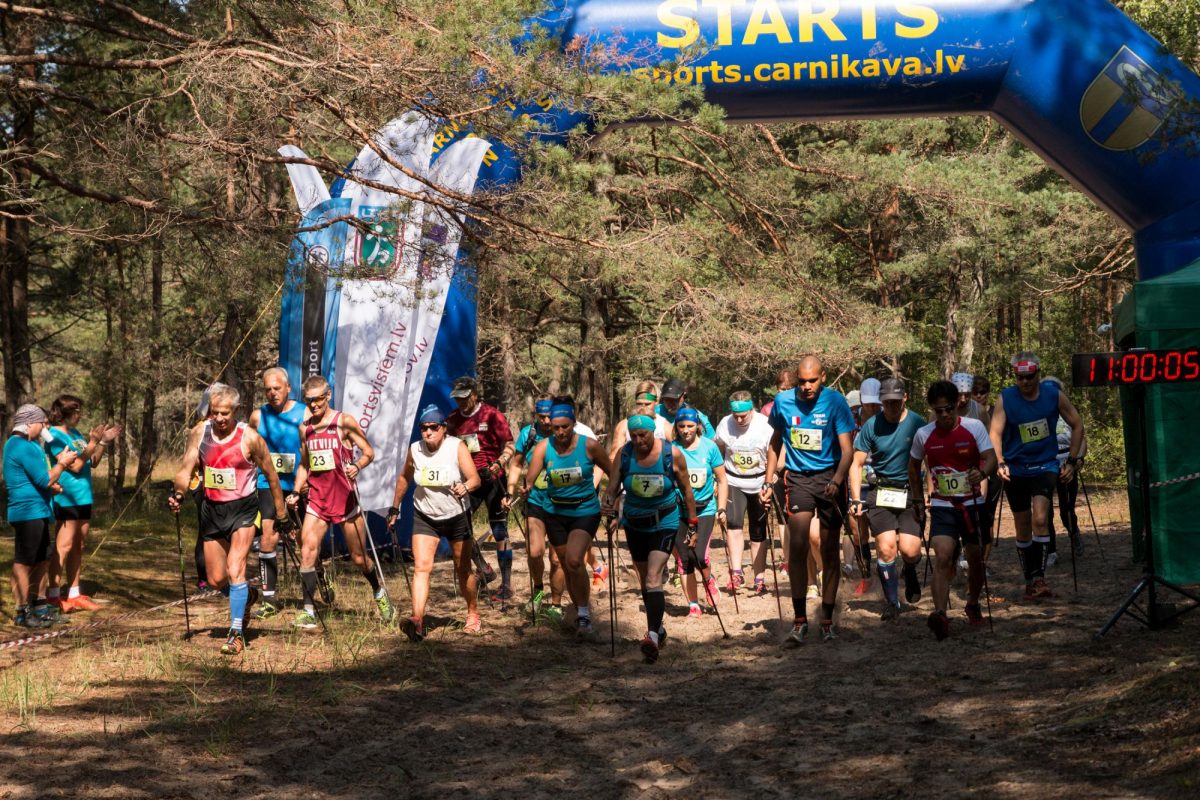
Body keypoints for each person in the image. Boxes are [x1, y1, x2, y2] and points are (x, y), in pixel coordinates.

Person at [168, 384, 290, 654]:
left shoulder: (250, 437)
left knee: (236, 568)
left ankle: (235, 634)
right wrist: (178, 493)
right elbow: (186, 469)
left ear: (236, 410)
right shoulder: (200, 432)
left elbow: (271, 475)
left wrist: (281, 512)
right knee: (215, 580)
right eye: (215, 412)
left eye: (225, 413)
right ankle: (247, 596)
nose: (220, 418)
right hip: (212, 510)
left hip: (243, 511)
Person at [761, 355, 856, 643]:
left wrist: (837, 480)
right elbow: (775, 442)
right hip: (798, 478)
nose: (806, 386)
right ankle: (800, 620)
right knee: (798, 543)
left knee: (829, 548)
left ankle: (826, 620)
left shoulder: (835, 402)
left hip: (830, 478)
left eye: (812, 381)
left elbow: (848, 451)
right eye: (802, 381)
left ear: (823, 377)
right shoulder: (783, 401)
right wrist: (768, 479)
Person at [288, 375, 392, 629]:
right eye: (309, 401)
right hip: (317, 500)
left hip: (345, 500)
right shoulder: (305, 429)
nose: (314, 405)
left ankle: (379, 592)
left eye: (318, 399)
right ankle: (308, 611)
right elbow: (305, 464)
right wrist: (296, 490)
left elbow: (368, 452)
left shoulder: (343, 422)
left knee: (359, 558)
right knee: (307, 551)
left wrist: (357, 466)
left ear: (328, 396)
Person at [988, 352, 1084, 600]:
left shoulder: (1053, 395)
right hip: (1015, 468)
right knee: (1022, 523)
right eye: (1020, 378)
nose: (1025, 382)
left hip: (1045, 466)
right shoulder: (1006, 398)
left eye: (1029, 377)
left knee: (1040, 519)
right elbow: (995, 433)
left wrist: (1072, 461)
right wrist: (1000, 462)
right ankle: (1029, 578)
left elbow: (1077, 424)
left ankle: (1040, 578)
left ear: (1037, 374)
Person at [602, 414, 698, 663]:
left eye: (642, 435)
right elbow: (612, 486)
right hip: (634, 523)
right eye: (633, 436)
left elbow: (687, 491)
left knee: (654, 576)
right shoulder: (624, 454)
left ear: (652, 432)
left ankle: (652, 636)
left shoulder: (671, 454)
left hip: (665, 521)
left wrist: (693, 524)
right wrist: (608, 504)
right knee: (645, 579)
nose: (638, 440)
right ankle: (658, 628)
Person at [909, 380, 997, 639]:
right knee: (943, 555)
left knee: (975, 558)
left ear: (957, 404)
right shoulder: (924, 434)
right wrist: (918, 500)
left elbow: (991, 458)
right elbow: (913, 466)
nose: (945, 415)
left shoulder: (974, 427)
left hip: (972, 503)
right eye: (939, 411)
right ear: (932, 410)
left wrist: (981, 473)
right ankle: (940, 615)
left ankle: (973, 602)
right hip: (943, 504)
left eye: (949, 409)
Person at [387, 405, 482, 640]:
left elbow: (475, 479)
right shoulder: (415, 450)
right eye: (424, 428)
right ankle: (417, 620)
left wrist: (465, 486)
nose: (428, 432)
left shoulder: (456, 447)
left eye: (433, 427)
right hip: (425, 515)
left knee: (462, 568)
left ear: (443, 428)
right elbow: (404, 477)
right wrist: (395, 507)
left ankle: (473, 613)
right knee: (421, 568)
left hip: (456, 515)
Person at [523, 401, 615, 641]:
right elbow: (531, 477)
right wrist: (527, 486)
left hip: (585, 511)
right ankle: (579, 609)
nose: (560, 432)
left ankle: (584, 616)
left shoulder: (589, 446)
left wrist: (611, 496)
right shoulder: (544, 447)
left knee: (574, 560)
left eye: (564, 427)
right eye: (556, 428)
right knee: (566, 565)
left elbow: (613, 470)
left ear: (574, 424)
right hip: (554, 511)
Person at [848, 378, 926, 621]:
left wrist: (929, 494)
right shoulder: (872, 425)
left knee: (911, 551)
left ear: (905, 398)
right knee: (886, 548)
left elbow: (930, 459)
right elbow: (856, 463)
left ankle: (910, 569)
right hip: (880, 492)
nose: (891, 406)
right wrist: (855, 499)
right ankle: (892, 602)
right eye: (887, 402)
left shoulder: (917, 423)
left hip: (909, 492)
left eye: (895, 401)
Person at [5, 405, 82, 627]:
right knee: (24, 561)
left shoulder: (31, 445)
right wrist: (62, 463)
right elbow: (44, 479)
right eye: (42, 423)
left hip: (39, 510)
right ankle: (22, 611)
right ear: (30, 423)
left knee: (42, 560)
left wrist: (53, 485)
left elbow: (41, 478)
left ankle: (40, 607)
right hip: (27, 512)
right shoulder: (20, 444)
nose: (45, 427)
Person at [44, 395, 120, 612]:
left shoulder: (76, 434)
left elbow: (92, 461)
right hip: (66, 497)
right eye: (77, 411)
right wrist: (93, 442)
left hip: (84, 496)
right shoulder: (53, 437)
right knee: (64, 546)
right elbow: (76, 466)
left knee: (79, 545)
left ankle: (74, 593)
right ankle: (53, 595)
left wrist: (102, 442)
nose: (80, 415)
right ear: (67, 412)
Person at [446, 376, 515, 601]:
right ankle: (484, 568)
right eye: (457, 398)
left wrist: (499, 463)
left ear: (474, 395)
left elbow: (510, 445)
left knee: (499, 530)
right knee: (460, 528)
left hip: (493, 478)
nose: (461, 402)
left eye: (464, 397)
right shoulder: (452, 420)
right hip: (469, 481)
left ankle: (506, 585)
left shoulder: (492, 415)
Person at [248, 367, 307, 618]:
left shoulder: (304, 412)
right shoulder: (257, 416)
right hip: (267, 484)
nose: (272, 393)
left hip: (298, 484)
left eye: (277, 388)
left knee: (304, 540)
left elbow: (311, 449)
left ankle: (318, 578)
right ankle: (269, 599)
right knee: (268, 537)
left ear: (288, 388)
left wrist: (308, 479)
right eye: (268, 389)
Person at [506, 396, 566, 621]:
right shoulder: (529, 434)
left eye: (550, 416)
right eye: (542, 417)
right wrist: (510, 490)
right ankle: (538, 590)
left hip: (561, 502)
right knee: (534, 552)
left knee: (557, 559)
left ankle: (556, 604)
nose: (547, 421)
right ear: (536, 416)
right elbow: (517, 463)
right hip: (535, 500)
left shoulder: (564, 432)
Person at [714, 391, 773, 597]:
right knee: (734, 524)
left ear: (752, 410)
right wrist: (718, 475)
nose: (739, 420)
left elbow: (776, 453)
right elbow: (718, 447)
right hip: (734, 481)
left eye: (743, 416)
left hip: (759, 482)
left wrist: (771, 478)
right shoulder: (725, 424)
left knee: (758, 531)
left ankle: (759, 578)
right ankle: (736, 573)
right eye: (736, 416)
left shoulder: (765, 425)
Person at [672, 408, 728, 617]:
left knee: (698, 555)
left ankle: (708, 579)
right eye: (681, 426)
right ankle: (693, 605)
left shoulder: (709, 447)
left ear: (697, 426)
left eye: (690, 426)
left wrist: (722, 507)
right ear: (676, 427)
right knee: (684, 558)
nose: (686, 430)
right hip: (679, 510)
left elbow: (722, 479)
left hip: (705, 509)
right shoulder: (672, 449)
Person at [1044, 376, 1087, 564]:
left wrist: (1079, 459)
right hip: (1045, 464)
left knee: (1066, 510)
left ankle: (1073, 532)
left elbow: (1082, 438)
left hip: (1067, 463)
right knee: (1045, 511)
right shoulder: (1038, 414)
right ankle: (1050, 550)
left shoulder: (1068, 413)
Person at [608, 380, 672, 459]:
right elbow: (614, 456)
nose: (643, 407)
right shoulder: (624, 425)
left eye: (647, 404)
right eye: (639, 404)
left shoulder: (664, 426)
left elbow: (678, 454)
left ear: (656, 402)